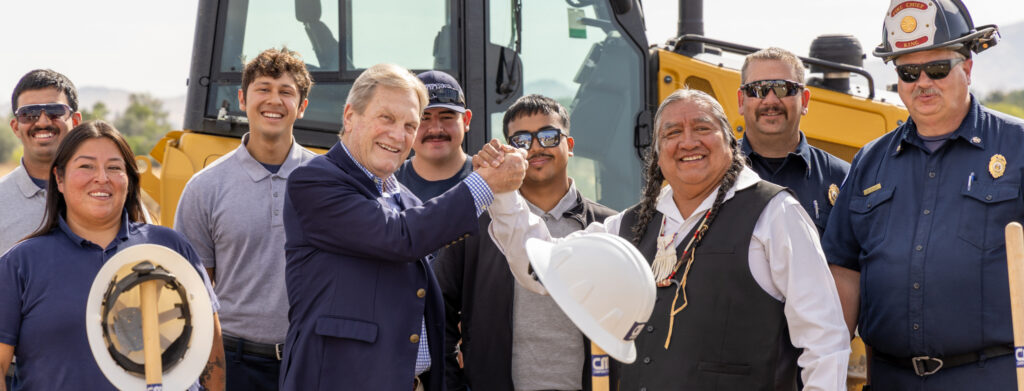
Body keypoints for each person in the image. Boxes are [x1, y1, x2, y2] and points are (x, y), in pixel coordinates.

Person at [484, 88, 850, 390]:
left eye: (702, 128)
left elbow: (824, 342)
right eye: (672, 133)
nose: (688, 142)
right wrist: (503, 194)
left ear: (729, 140)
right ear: (658, 154)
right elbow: (542, 268)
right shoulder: (628, 225)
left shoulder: (775, 213)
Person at [279, 63, 527, 391]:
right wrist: (484, 183)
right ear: (350, 116)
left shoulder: (405, 199)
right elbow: (398, 237)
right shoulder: (314, 180)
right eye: (387, 118)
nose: (399, 135)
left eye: (410, 124)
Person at [823, 1, 1015, 389]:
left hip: (991, 376)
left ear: (968, 68)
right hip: (891, 377)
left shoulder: (1018, 147)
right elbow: (843, 269)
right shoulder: (869, 160)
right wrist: (830, 368)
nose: (922, 82)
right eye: (908, 72)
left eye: (937, 68)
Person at [0, 121, 225, 391]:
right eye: (86, 166)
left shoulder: (170, 247)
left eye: (115, 168)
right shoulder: (21, 263)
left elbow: (211, 351)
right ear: (59, 179)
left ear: (129, 180)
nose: (102, 177)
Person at [434, 94, 616, 391]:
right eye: (521, 140)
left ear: (569, 146)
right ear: (508, 149)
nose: (535, 147)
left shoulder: (607, 227)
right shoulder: (476, 227)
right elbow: (438, 313)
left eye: (548, 136)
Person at [174, 47, 315, 390]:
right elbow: (192, 294)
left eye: (286, 92)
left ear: (302, 106)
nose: (274, 100)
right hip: (234, 363)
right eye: (263, 89)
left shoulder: (325, 181)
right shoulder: (204, 188)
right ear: (242, 98)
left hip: (310, 359)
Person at [737, 47, 850, 235]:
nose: (770, 101)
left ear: (804, 101)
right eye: (758, 90)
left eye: (784, 89)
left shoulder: (843, 178)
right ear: (741, 101)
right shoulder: (716, 172)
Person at [0, 69, 82, 253]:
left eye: (54, 111)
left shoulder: (106, 192)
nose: (43, 122)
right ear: (15, 127)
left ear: (75, 121)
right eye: (29, 114)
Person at [395, 70, 474, 201]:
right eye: (424, 118)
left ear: (466, 120)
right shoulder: (387, 185)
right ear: (406, 124)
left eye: (446, 117)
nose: (436, 129)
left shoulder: (491, 180)